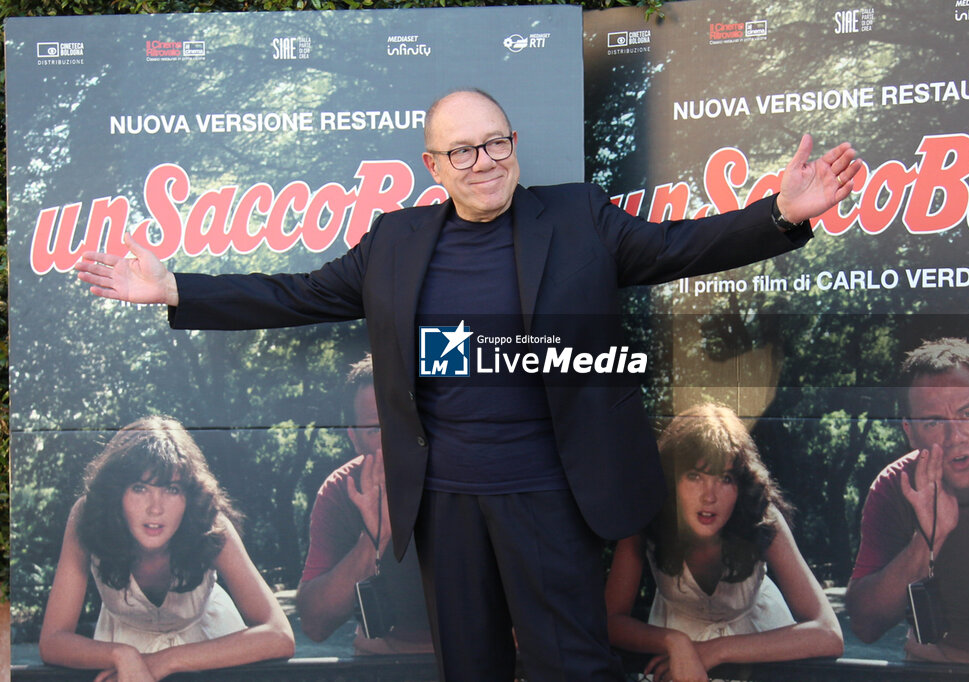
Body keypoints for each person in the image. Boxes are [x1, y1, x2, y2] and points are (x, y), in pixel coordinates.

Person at [75, 88, 861, 680]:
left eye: (496, 145)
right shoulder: (395, 240)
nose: (483, 162)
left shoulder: (578, 218)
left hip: (554, 496)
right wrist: (177, 289)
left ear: (513, 146)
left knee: (573, 668)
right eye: (462, 151)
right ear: (434, 165)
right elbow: (297, 295)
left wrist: (780, 214)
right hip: (445, 501)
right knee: (471, 669)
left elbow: (681, 246)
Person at [38, 415, 295, 681]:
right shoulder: (88, 517)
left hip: (212, 651)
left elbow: (279, 635)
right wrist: (123, 656)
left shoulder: (208, 522)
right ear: (115, 492)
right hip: (121, 653)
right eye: (140, 488)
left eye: (172, 489)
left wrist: (165, 661)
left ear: (189, 495)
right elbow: (53, 640)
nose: (156, 508)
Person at [605, 404, 842, 682]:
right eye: (694, 476)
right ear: (670, 480)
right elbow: (609, 621)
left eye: (725, 479)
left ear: (740, 486)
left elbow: (829, 634)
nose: (709, 496)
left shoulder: (761, 517)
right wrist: (674, 642)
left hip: (758, 647)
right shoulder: (645, 519)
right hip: (676, 654)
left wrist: (715, 651)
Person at [846, 338, 969, 663]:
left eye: (968, 414)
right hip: (939, 668)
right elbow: (864, 624)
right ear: (910, 433)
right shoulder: (894, 487)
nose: (954, 436)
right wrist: (925, 541)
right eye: (932, 422)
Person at [296, 354, 433, 653]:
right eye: (375, 430)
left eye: (407, 421)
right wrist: (372, 540)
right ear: (355, 440)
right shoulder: (340, 492)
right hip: (386, 663)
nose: (396, 440)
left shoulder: (480, 474)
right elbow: (315, 624)